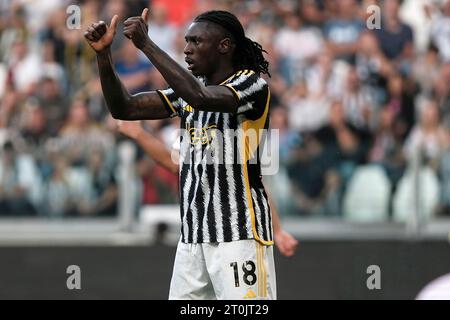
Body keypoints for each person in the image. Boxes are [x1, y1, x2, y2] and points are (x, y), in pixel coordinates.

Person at [85, 8, 287, 299]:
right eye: (186, 41)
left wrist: (147, 45)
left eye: (196, 42)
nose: (187, 50)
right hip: (193, 239)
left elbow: (201, 98)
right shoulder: (189, 92)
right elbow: (124, 108)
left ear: (224, 46)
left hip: (239, 235)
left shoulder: (251, 85)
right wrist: (103, 56)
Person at [116, 119, 298, 256]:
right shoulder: (196, 126)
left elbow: (256, 186)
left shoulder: (232, 134)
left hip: (235, 239)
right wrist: (138, 133)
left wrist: (277, 229)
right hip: (195, 238)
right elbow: (174, 162)